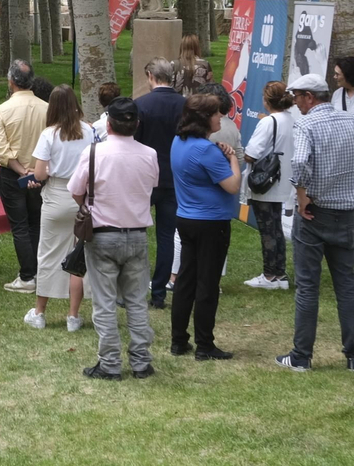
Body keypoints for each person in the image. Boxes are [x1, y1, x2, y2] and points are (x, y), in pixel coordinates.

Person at [275, 73, 354, 373]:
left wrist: (301, 195)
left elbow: (299, 162)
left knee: (307, 288)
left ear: (310, 97)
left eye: (297, 96)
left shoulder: (306, 124)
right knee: (346, 287)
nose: (295, 102)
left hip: (313, 214)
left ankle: (301, 356)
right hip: (346, 215)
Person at [70, 97, 159, 380]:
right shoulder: (149, 154)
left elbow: (76, 190)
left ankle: (109, 363)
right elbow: (151, 186)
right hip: (136, 234)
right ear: (136, 124)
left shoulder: (94, 153)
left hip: (102, 234)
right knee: (136, 301)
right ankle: (141, 362)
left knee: (105, 303)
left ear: (108, 125)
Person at [167, 93, 242, 361]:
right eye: (215, 113)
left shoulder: (179, 142)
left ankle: (178, 340)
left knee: (185, 279)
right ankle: (205, 345)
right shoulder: (207, 150)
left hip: (186, 218)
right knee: (207, 284)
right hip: (211, 223)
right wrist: (232, 158)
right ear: (203, 119)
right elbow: (232, 185)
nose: (220, 116)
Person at [24, 85, 99, 331]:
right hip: (83, 198)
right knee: (78, 256)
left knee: (48, 254)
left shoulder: (49, 134)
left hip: (57, 196)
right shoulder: (89, 131)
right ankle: (73, 316)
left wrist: (35, 177)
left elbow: (40, 172)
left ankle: (39, 312)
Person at [0, 60, 49, 295]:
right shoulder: (47, 108)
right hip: (40, 172)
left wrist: (20, 169)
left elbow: (2, 150)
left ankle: (28, 276)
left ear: (11, 81)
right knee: (35, 223)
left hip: (13, 174)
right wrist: (32, 171)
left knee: (20, 226)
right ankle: (36, 272)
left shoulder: (3, 110)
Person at [136, 58, 186, 308]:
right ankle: (159, 293)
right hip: (174, 178)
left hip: (145, 179)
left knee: (137, 234)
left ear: (150, 76)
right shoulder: (185, 105)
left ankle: (135, 290)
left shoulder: (141, 105)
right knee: (166, 236)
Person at [243, 82, 297, 290]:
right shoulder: (291, 120)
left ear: (267, 100)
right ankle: (279, 274)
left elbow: (251, 154)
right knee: (275, 228)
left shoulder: (268, 122)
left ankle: (270, 275)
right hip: (282, 181)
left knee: (267, 229)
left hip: (266, 181)